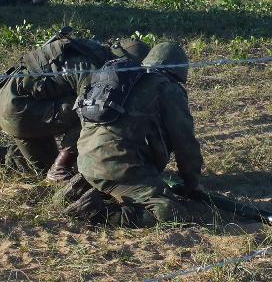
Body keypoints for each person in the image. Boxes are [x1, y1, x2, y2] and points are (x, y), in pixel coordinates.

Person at [0, 37, 150, 182]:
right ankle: (60, 169)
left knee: (42, 167)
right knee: (92, 109)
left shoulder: (89, 50)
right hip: (22, 110)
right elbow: (90, 114)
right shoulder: (93, 68)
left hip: (12, 107)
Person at [67, 42, 203, 226]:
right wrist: (192, 181)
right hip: (119, 169)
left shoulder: (125, 81)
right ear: (179, 71)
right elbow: (184, 141)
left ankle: (82, 187)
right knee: (172, 212)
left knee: (119, 181)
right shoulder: (167, 89)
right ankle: (96, 212)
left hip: (86, 161)